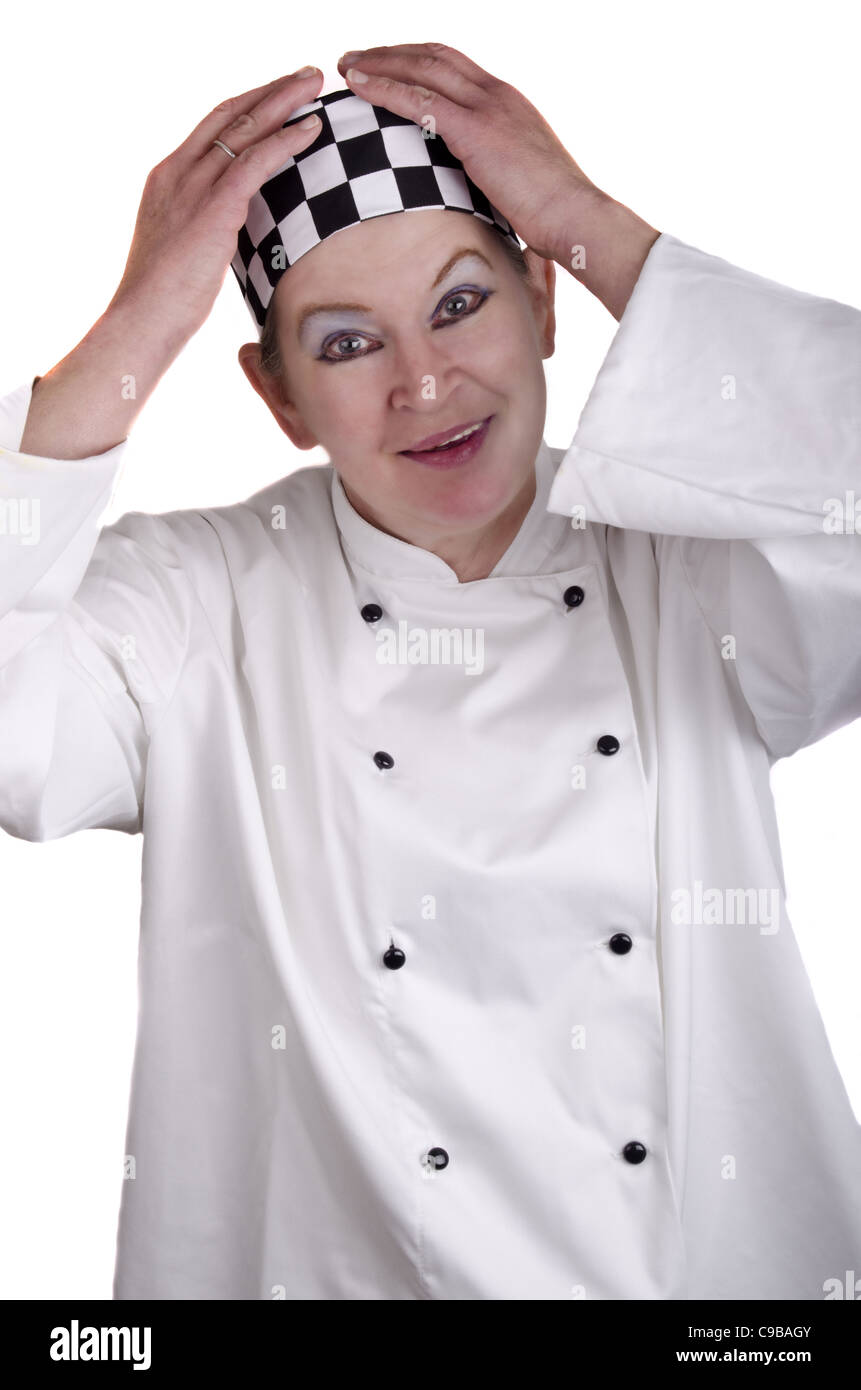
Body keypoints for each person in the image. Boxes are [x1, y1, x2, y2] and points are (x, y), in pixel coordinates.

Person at [2, 44, 860, 1301]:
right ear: (278, 396)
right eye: (346, 343)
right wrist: (140, 323)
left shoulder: (696, 569)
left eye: (461, 304)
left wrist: (588, 223)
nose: (423, 383)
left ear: (543, 302)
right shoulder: (198, 605)